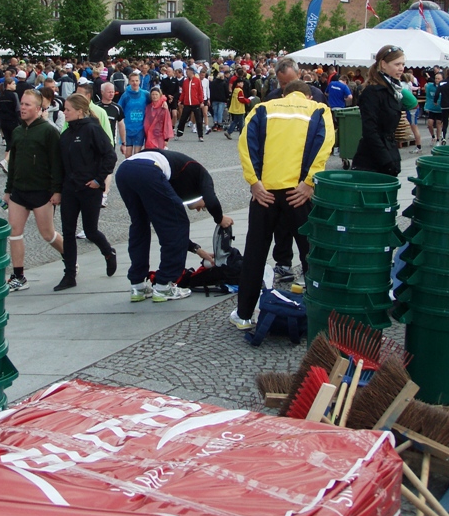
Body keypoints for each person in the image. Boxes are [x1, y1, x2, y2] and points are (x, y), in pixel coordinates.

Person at [230, 80, 334, 329]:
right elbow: (324, 145)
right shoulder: (318, 110)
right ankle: (320, 314)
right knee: (311, 252)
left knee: (255, 253)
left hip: (265, 192)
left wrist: (254, 182)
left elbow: (246, 146)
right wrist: (309, 182)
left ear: (283, 93)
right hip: (298, 192)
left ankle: (244, 314)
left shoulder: (262, 109)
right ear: (308, 96)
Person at [115, 150, 233, 303]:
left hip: (124, 170)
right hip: (147, 170)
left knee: (140, 225)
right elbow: (212, 201)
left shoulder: (173, 183)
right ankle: (164, 285)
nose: (200, 209)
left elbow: (167, 230)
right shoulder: (201, 174)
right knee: (178, 223)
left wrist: (197, 249)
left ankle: (138, 286)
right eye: (203, 207)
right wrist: (220, 218)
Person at [2, 89, 64, 291]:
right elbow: (13, 164)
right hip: (19, 191)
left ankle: (69, 258)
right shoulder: (18, 131)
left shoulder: (49, 131)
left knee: (48, 234)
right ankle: (18, 276)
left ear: (38, 109)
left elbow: (57, 163)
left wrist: (56, 191)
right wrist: (8, 189)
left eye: (27, 104)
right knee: (14, 232)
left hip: (42, 191)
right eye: (22, 103)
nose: (23, 107)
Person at [56, 94, 118, 292]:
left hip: (89, 189)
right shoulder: (65, 135)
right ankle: (69, 274)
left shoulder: (92, 129)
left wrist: (99, 180)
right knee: (68, 232)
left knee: (90, 230)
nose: (63, 112)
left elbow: (110, 155)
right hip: (69, 189)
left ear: (80, 111)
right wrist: (57, 189)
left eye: (67, 109)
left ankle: (108, 252)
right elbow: (59, 166)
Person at [352, 45, 417, 176]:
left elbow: (412, 103)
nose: (401, 68)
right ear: (383, 64)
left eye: (403, 64)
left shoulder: (393, 90)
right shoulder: (372, 92)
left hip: (389, 154)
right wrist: (386, 161)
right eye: (397, 64)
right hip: (372, 161)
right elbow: (370, 131)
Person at [118, 71, 151, 155]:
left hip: (140, 128)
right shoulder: (125, 95)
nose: (135, 83)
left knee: (137, 155)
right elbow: (119, 109)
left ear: (139, 81)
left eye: (136, 80)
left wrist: (164, 102)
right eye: (132, 81)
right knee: (128, 156)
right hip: (128, 129)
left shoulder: (145, 94)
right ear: (129, 82)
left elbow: (156, 99)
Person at [0, 75, 20, 173]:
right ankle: (6, 161)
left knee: (8, 142)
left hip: (3, 121)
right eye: (14, 84)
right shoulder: (14, 95)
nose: (15, 86)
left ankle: (7, 163)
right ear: (8, 85)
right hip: (13, 121)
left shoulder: (1, 96)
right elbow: (17, 108)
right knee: (14, 143)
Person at [175, 66, 204, 140]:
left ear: (191, 72)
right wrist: (180, 100)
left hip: (196, 103)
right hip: (187, 104)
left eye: (187, 72)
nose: (186, 73)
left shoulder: (197, 81)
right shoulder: (185, 82)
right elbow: (183, 92)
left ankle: (200, 136)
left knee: (199, 120)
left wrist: (201, 102)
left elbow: (200, 92)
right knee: (183, 119)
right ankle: (179, 134)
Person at [423, 71, 443, 144]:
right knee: (430, 123)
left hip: (440, 108)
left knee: (438, 123)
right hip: (431, 108)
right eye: (436, 78)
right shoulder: (430, 86)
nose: (437, 80)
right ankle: (433, 136)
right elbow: (428, 96)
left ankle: (438, 139)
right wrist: (426, 106)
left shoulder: (443, 87)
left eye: (439, 79)